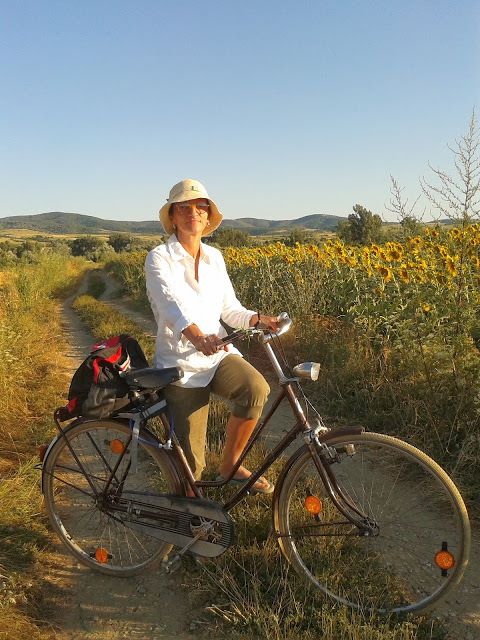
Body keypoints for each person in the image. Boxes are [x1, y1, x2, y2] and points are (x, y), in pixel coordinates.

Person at [145, 178, 280, 494]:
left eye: (200, 207)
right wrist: (196, 336)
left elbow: (230, 309)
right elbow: (168, 304)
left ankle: (230, 464)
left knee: (255, 389)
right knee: (191, 467)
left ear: (207, 217)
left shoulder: (214, 258)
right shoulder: (159, 257)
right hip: (180, 364)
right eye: (184, 207)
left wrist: (258, 319)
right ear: (173, 217)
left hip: (217, 354)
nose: (193, 212)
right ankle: (187, 512)